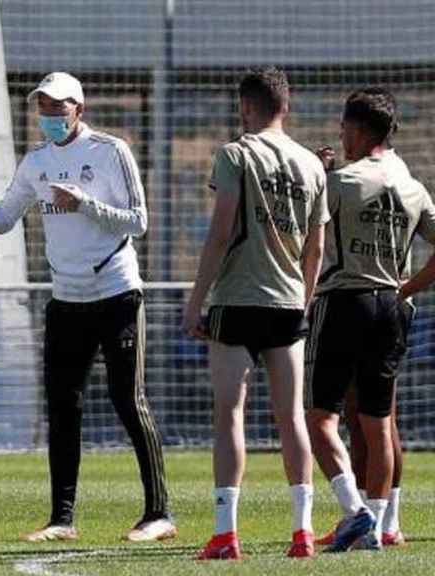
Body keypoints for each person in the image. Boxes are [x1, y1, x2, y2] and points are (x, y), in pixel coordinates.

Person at [0, 71, 175, 543]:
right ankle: (61, 519)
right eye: (42, 108)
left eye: (57, 108)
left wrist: (85, 203)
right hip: (66, 301)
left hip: (116, 293)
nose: (48, 116)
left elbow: (139, 221)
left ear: (78, 110)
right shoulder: (35, 163)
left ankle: (159, 514)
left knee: (129, 400)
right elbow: (3, 219)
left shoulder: (110, 151)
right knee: (64, 407)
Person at [182, 67, 328, 560]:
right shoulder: (311, 164)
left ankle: (226, 534)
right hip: (288, 303)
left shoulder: (235, 154)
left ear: (245, 107)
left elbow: (221, 231)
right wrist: (302, 301)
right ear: (285, 107)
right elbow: (316, 247)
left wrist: (195, 299)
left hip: (238, 298)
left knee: (230, 416)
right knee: (291, 418)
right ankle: (303, 532)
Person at [304, 87, 435, 551]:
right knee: (379, 421)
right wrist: (410, 287)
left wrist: (319, 174)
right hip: (393, 306)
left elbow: (308, 233)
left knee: (320, 418)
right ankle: (379, 526)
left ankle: (355, 513)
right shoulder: (413, 187)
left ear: (358, 130)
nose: (340, 135)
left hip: (346, 301)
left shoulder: (341, 182)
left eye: (343, 127)